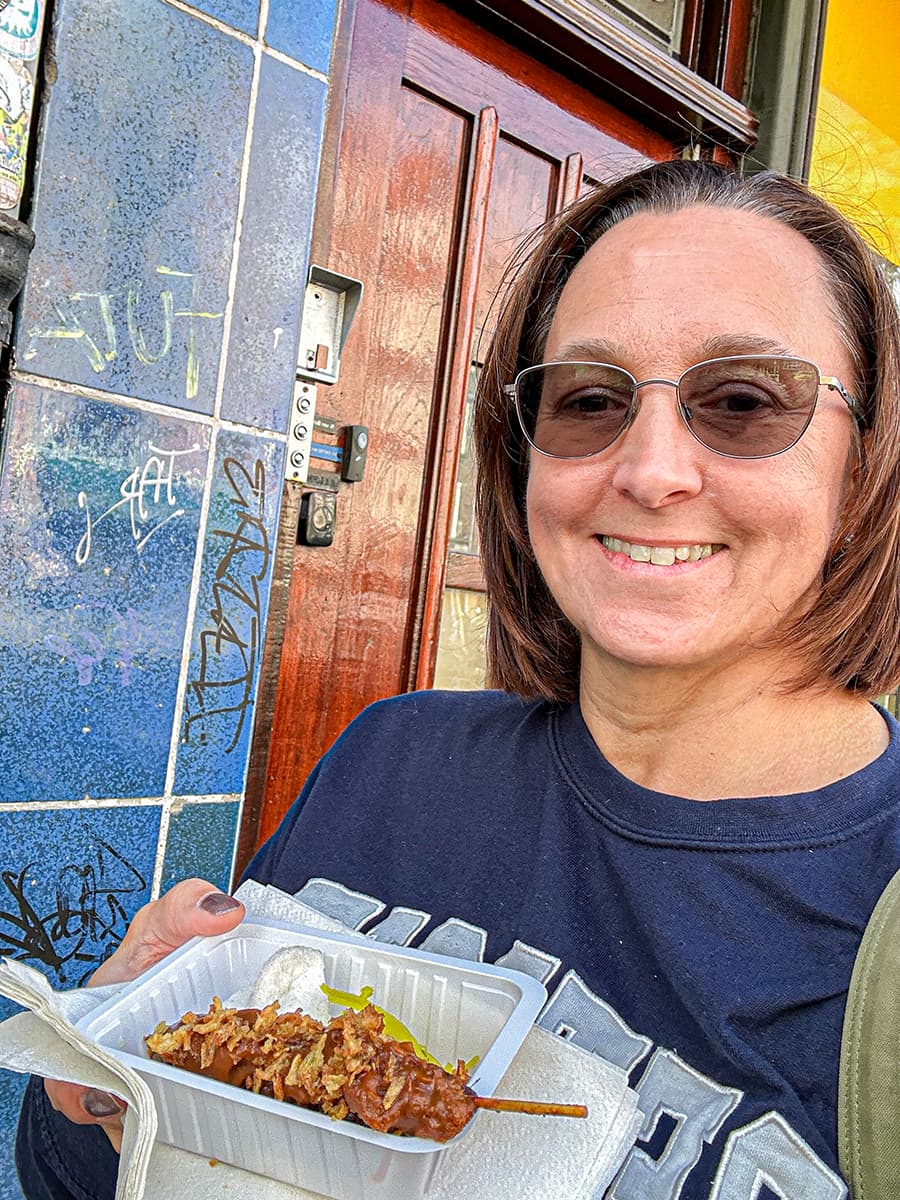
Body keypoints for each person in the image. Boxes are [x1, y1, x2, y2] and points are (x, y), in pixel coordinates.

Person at [16, 158, 900, 1200]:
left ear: (868, 460)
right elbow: (76, 1174)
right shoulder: (394, 759)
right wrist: (111, 1067)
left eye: (745, 399)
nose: (651, 469)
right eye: (589, 399)